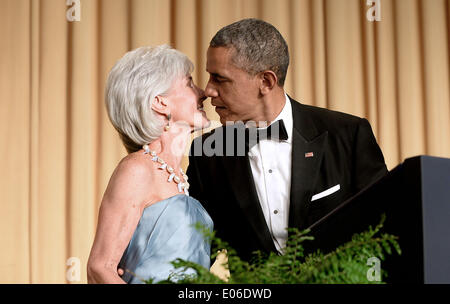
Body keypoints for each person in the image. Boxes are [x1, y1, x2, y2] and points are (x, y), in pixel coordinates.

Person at [187, 18, 388, 261]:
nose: (208, 91)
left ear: (266, 81)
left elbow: (384, 231)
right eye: (209, 77)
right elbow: (195, 250)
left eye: (220, 78)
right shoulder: (207, 153)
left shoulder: (349, 135)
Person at [87, 45, 213, 284]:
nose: (203, 92)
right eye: (189, 82)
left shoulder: (182, 178)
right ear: (160, 102)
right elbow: (99, 268)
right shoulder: (137, 170)